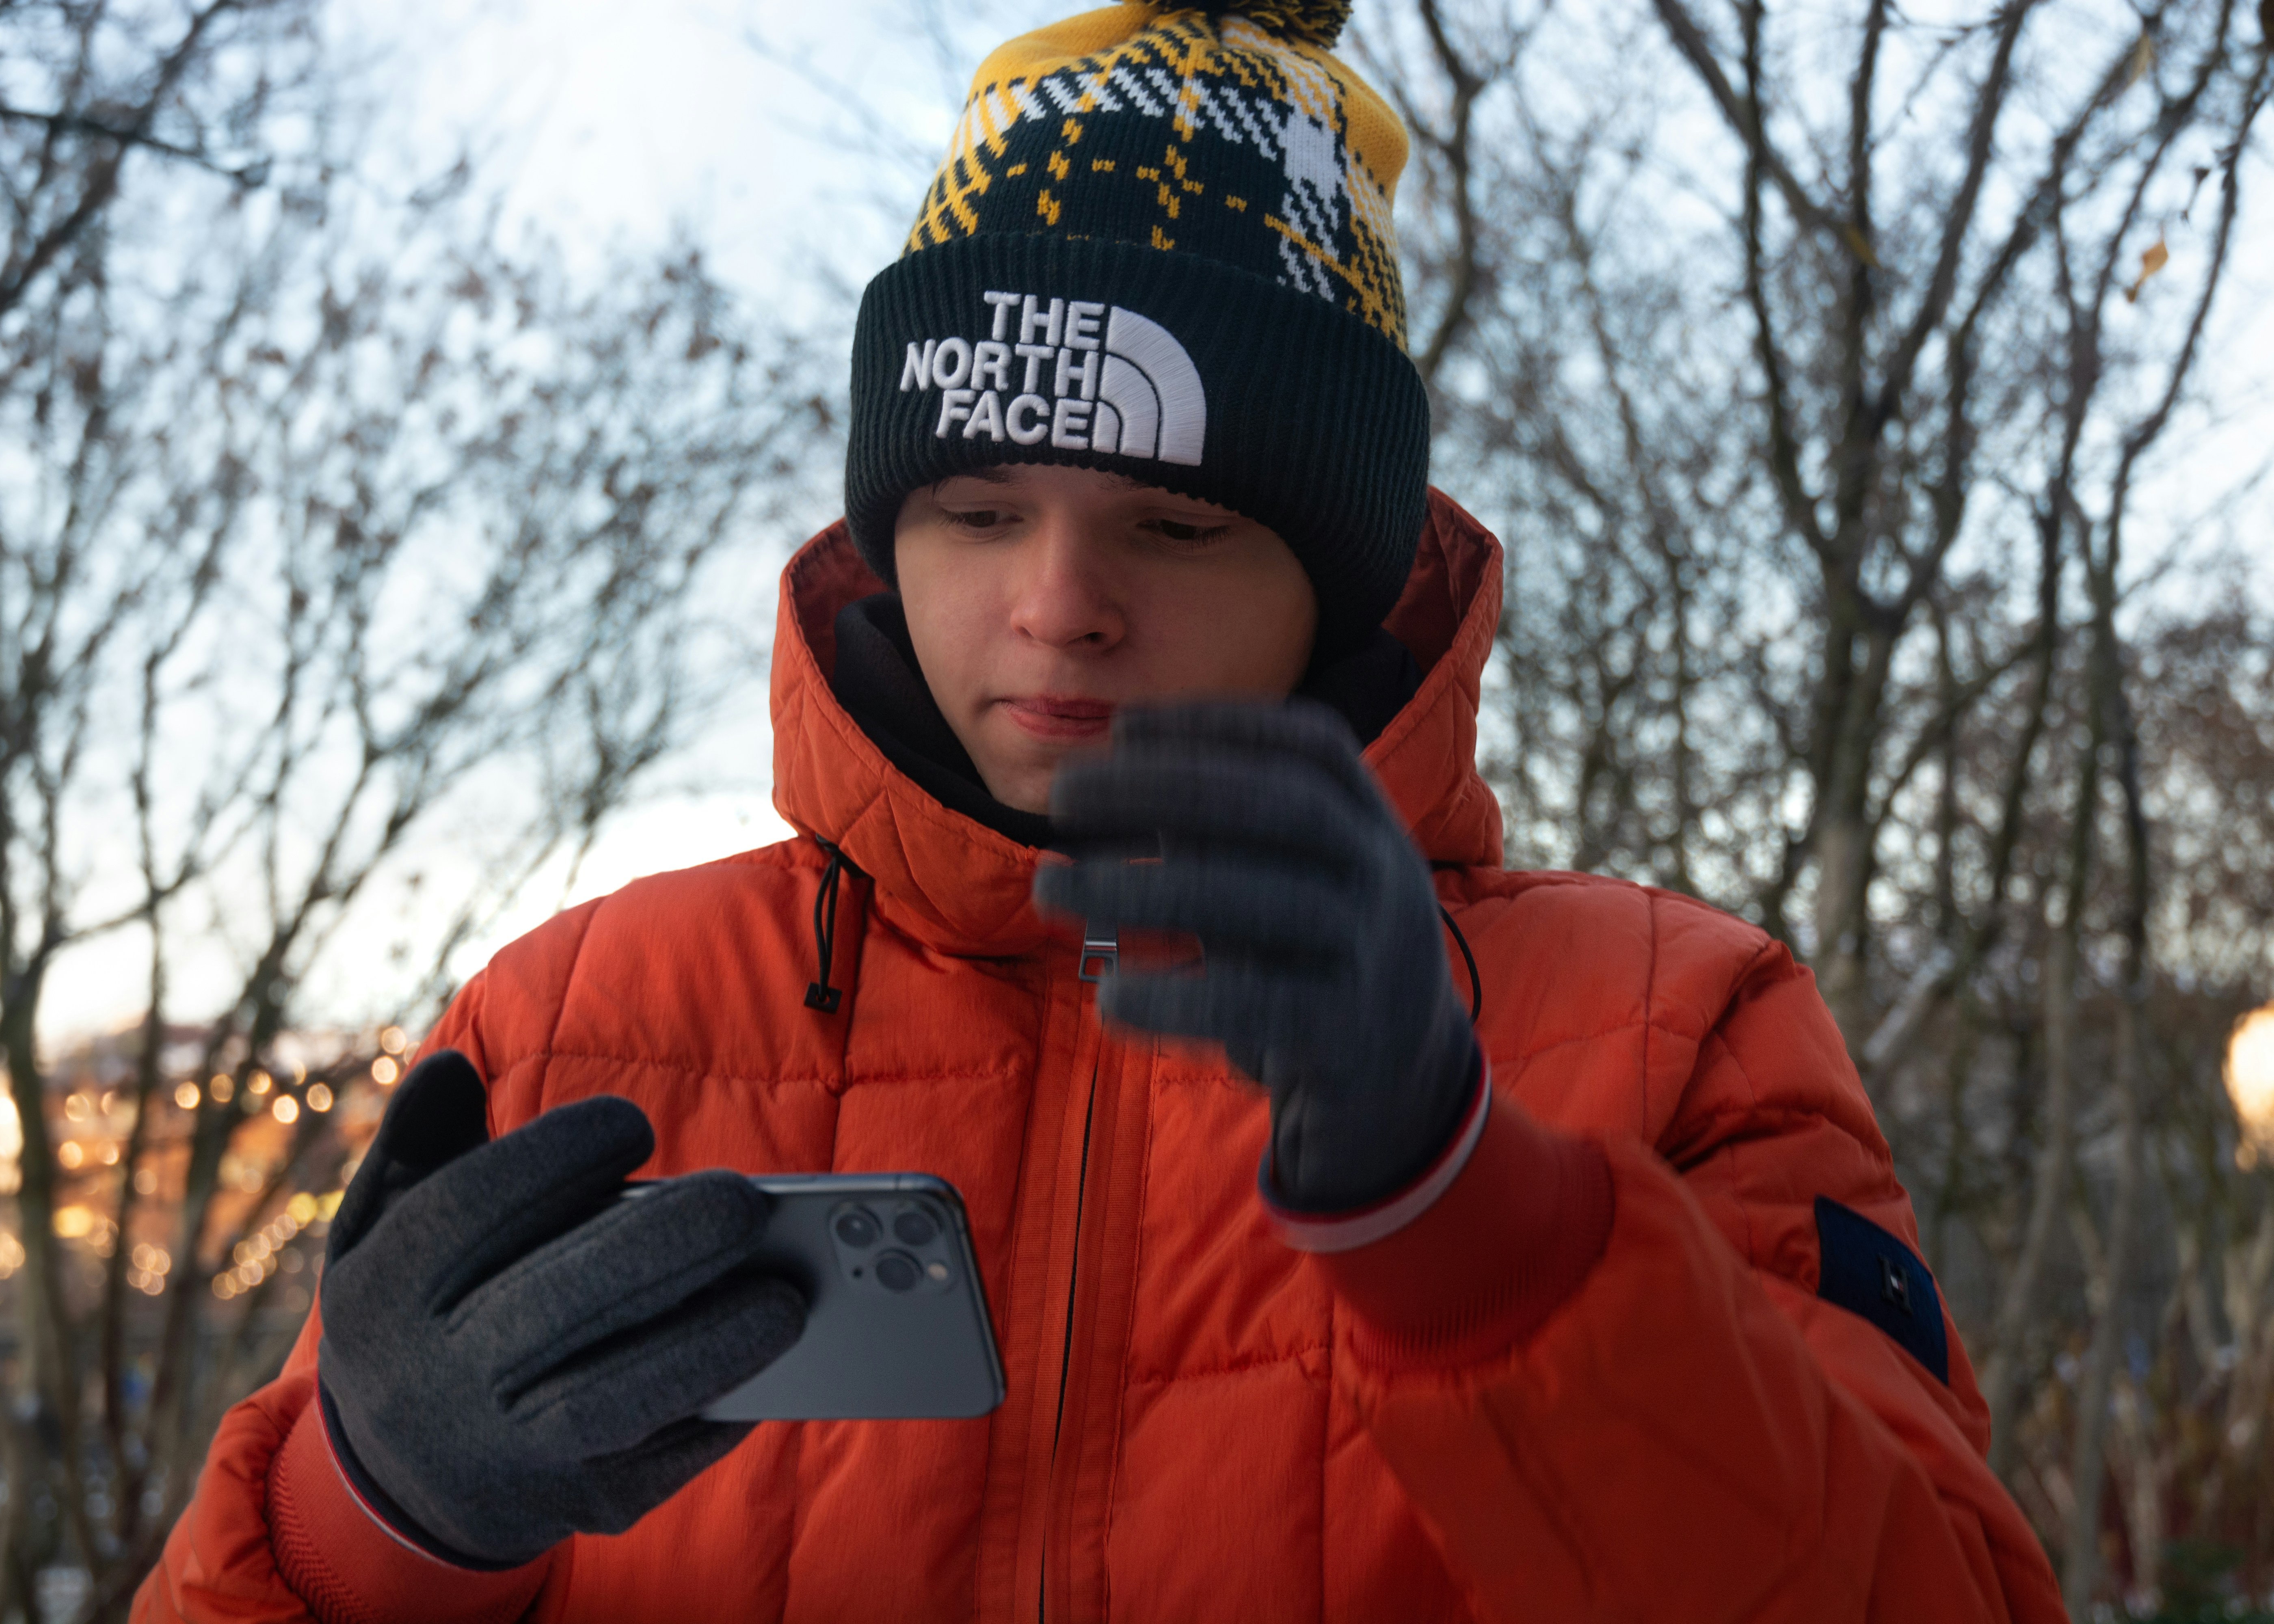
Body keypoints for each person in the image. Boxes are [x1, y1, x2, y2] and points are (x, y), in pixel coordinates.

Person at [136, 3, 2069, 1620]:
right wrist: (375, 1514)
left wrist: (1475, 1218)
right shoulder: (571, 1019)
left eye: (1176, 522)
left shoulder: (1672, 1022)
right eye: (977, 511)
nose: (1058, 598)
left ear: (1342, 571)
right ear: (888, 533)